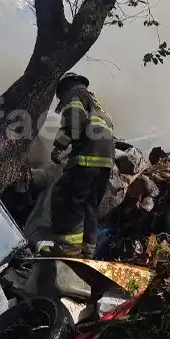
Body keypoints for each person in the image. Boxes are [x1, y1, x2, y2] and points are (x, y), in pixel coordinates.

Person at [45, 72, 115, 257]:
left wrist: (58, 148)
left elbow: (75, 122)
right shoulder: (95, 102)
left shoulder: (74, 96)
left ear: (66, 87)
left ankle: (69, 247)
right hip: (106, 161)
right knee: (90, 205)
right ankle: (88, 249)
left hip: (87, 159)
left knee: (67, 197)